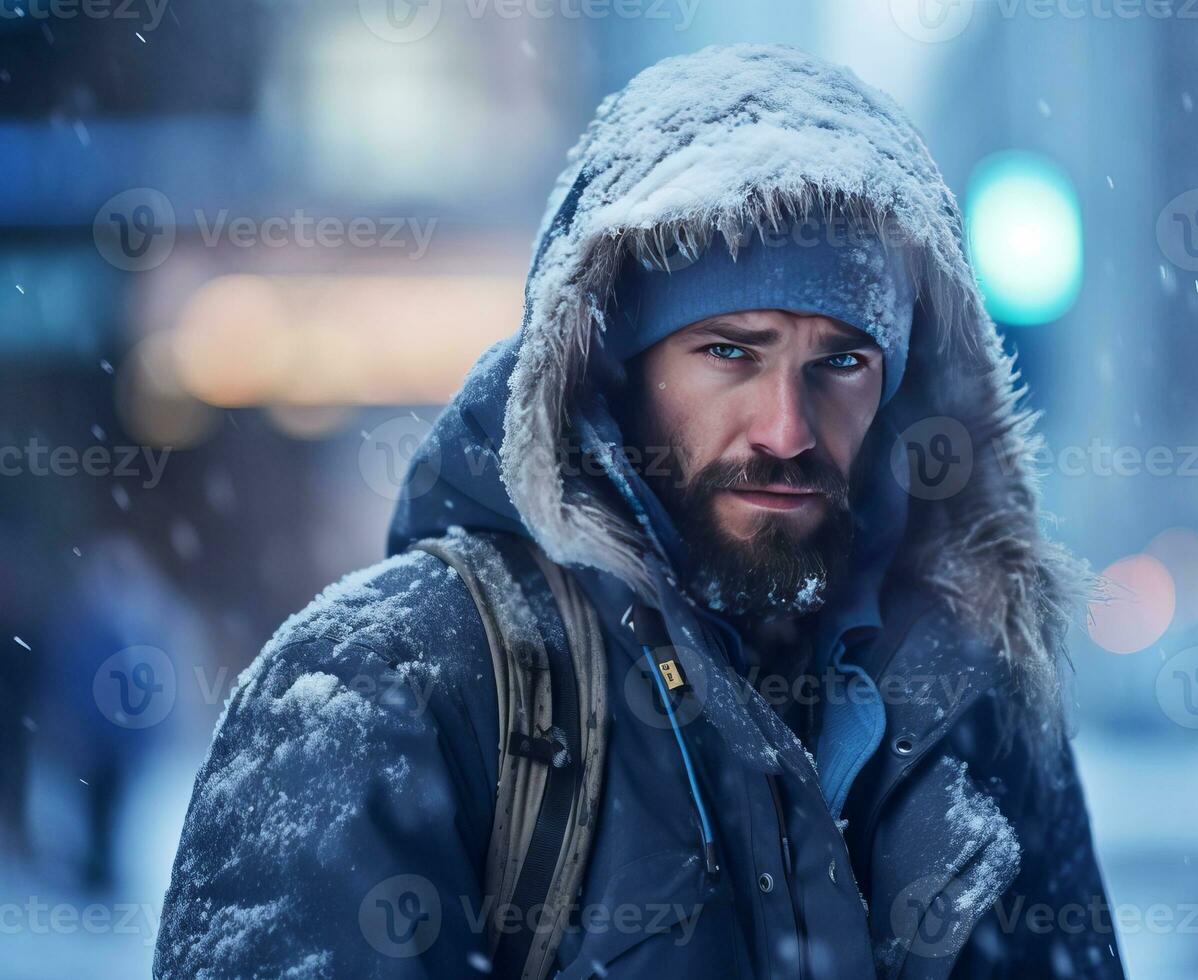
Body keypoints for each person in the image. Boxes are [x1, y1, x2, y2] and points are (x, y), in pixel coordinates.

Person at [156, 43, 1124, 979]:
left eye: (841, 362)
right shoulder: (384, 691)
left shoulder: (973, 710)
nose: (786, 428)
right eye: (729, 352)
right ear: (609, 369)